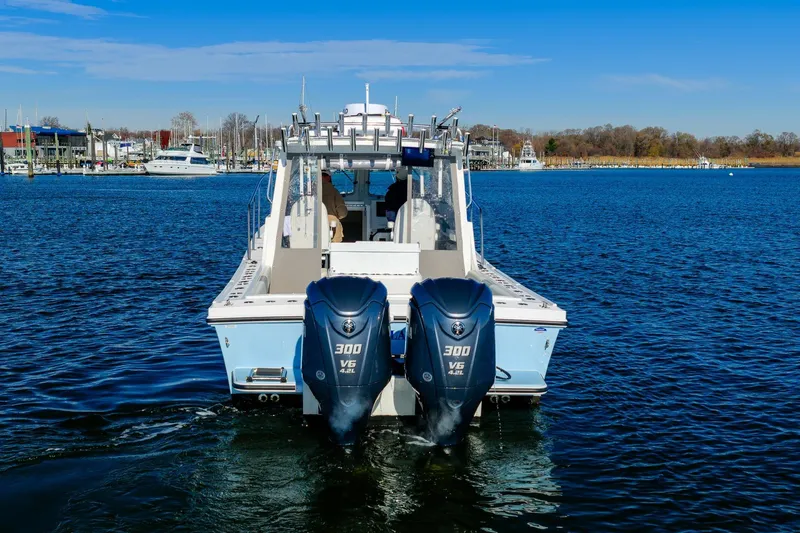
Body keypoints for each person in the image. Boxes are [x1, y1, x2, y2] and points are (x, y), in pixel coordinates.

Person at [322, 170, 348, 242]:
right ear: (328, 177)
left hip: (313, 223)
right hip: (331, 222)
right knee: (335, 245)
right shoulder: (334, 191)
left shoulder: (310, 191)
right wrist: (336, 217)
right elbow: (342, 212)